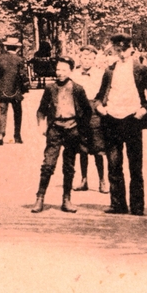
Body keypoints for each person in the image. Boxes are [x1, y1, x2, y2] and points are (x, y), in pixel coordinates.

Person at [95, 34, 147, 216]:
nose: (122, 54)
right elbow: (100, 96)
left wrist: (144, 110)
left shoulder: (140, 69)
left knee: (135, 166)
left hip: (132, 121)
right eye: (118, 50)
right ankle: (118, 205)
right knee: (114, 164)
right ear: (115, 50)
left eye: (124, 50)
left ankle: (137, 206)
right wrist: (100, 107)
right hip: (112, 120)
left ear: (131, 49)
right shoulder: (109, 70)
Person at [31, 57, 92, 214]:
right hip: (55, 129)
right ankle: (40, 198)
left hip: (72, 129)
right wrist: (41, 124)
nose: (60, 73)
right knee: (48, 165)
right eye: (58, 69)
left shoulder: (78, 89)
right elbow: (41, 110)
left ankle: (66, 200)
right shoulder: (50, 89)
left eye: (64, 70)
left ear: (70, 71)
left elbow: (87, 111)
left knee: (69, 166)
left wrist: (81, 130)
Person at [71, 45, 109, 194]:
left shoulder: (101, 74)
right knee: (82, 148)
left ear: (94, 59)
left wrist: (101, 106)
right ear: (80, 58)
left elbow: (106, 92)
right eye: (84, 58)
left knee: (98, 147)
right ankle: (84, 180)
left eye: (90, 58)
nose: (87, 61)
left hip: (95, 111)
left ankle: (102, 181)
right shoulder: (74, 75)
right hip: (79, 112)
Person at [0, 37, 29, 145]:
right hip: (16, 89)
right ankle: (17, 136)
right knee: (18, 112)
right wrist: (24, 89)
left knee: (3, 112)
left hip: (2, 89)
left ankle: (0, 134)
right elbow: (23, 76)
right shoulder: (20, 60)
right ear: (17, 49)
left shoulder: (0, 59)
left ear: (6, 47)